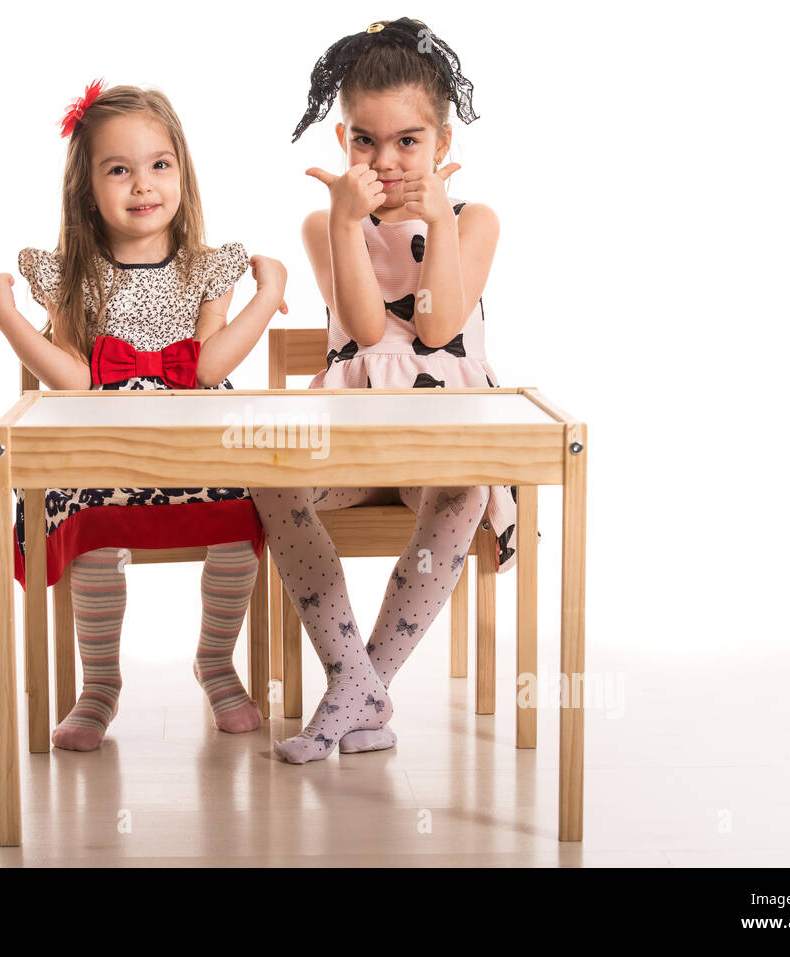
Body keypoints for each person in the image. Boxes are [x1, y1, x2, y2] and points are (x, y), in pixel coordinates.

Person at [252, 17, 536, 764]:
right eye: (365, 142)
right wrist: (350, 226)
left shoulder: (475, 220)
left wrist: (437, 216)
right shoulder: (326, 224)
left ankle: (359, 683)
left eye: (408, 141)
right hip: (349, 443)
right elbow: (368, 329)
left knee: (462, 490)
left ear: (442, 147)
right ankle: (357, 679)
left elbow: (438, 330)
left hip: (436, 446)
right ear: (343, 142)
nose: (386, 160)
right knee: (269, 478)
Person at [0, 80, 288, 751]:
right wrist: (6, 314)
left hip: (194, 439)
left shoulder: (211, 267)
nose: (142, 184)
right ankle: (100, 685)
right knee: (91, 528)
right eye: (119, 169)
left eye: (158, 165)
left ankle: (215, 661)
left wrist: (272, 293)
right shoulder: (72, 274)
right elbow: (75, 379)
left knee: (243, 518)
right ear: (88, 188)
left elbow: (207, 368)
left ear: (182, 171)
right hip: (104, 442)